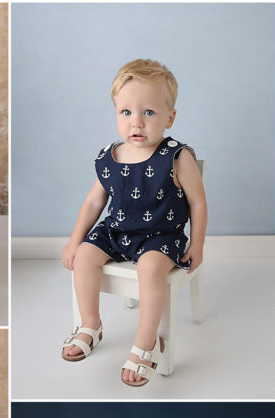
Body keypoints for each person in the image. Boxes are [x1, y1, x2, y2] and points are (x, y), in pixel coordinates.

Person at [61, 59, 207, 387]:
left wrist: (198, 243)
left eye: (149, 112)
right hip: (118, 230)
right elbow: (94, 202)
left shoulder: (177, 156)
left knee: (150, 269)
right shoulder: (109, 156)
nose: (136, 122)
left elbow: (198, 202)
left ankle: (147, 341)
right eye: (126, 112)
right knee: (84, 257)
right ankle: (90, 325)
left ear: (170, 117)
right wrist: (75, 240)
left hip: (161, 233)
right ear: (115, 113)